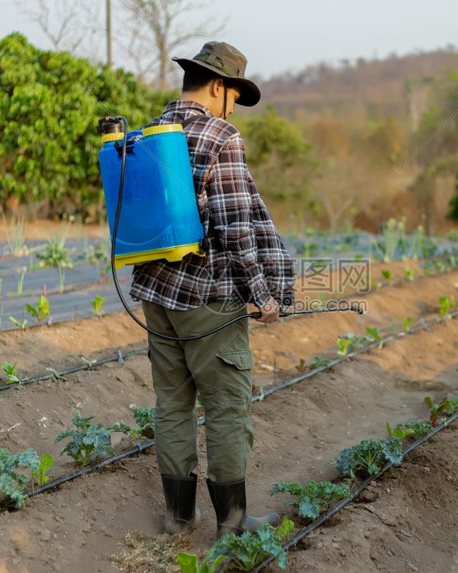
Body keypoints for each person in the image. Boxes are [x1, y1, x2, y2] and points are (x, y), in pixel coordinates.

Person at [129, 41, 294, 539]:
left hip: (155, 296)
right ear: (219, 87)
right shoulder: (220, 137)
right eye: (233, 96)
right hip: (207, 298)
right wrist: (263, 293)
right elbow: (236, 228)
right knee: (226, 405)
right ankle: (234, 524)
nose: (232, 108)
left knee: (173, 403)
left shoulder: (147, 135)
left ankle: (179, 516)